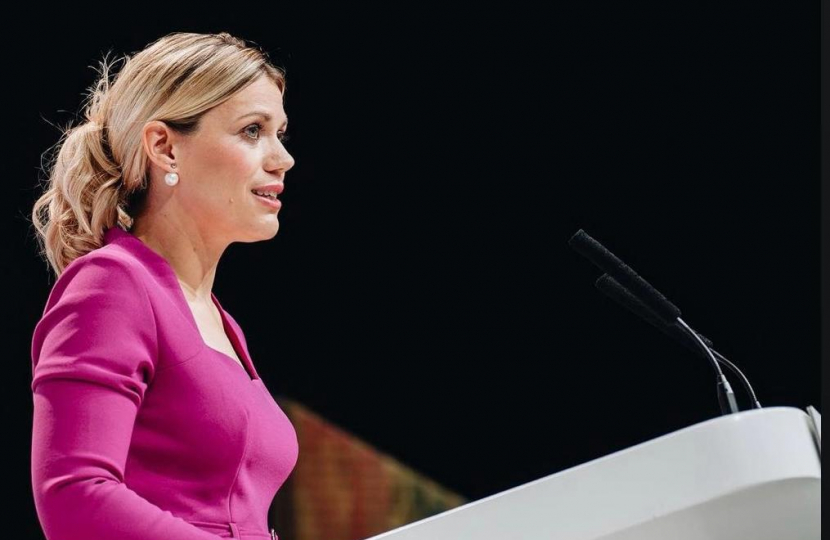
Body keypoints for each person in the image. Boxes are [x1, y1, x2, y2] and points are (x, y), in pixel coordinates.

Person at [29, 31, 298, 540]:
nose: (282, 158)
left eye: (281, 133)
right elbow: (74, 496)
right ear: (164, 147)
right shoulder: (111, 285)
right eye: (251, 131)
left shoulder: (222, 322)